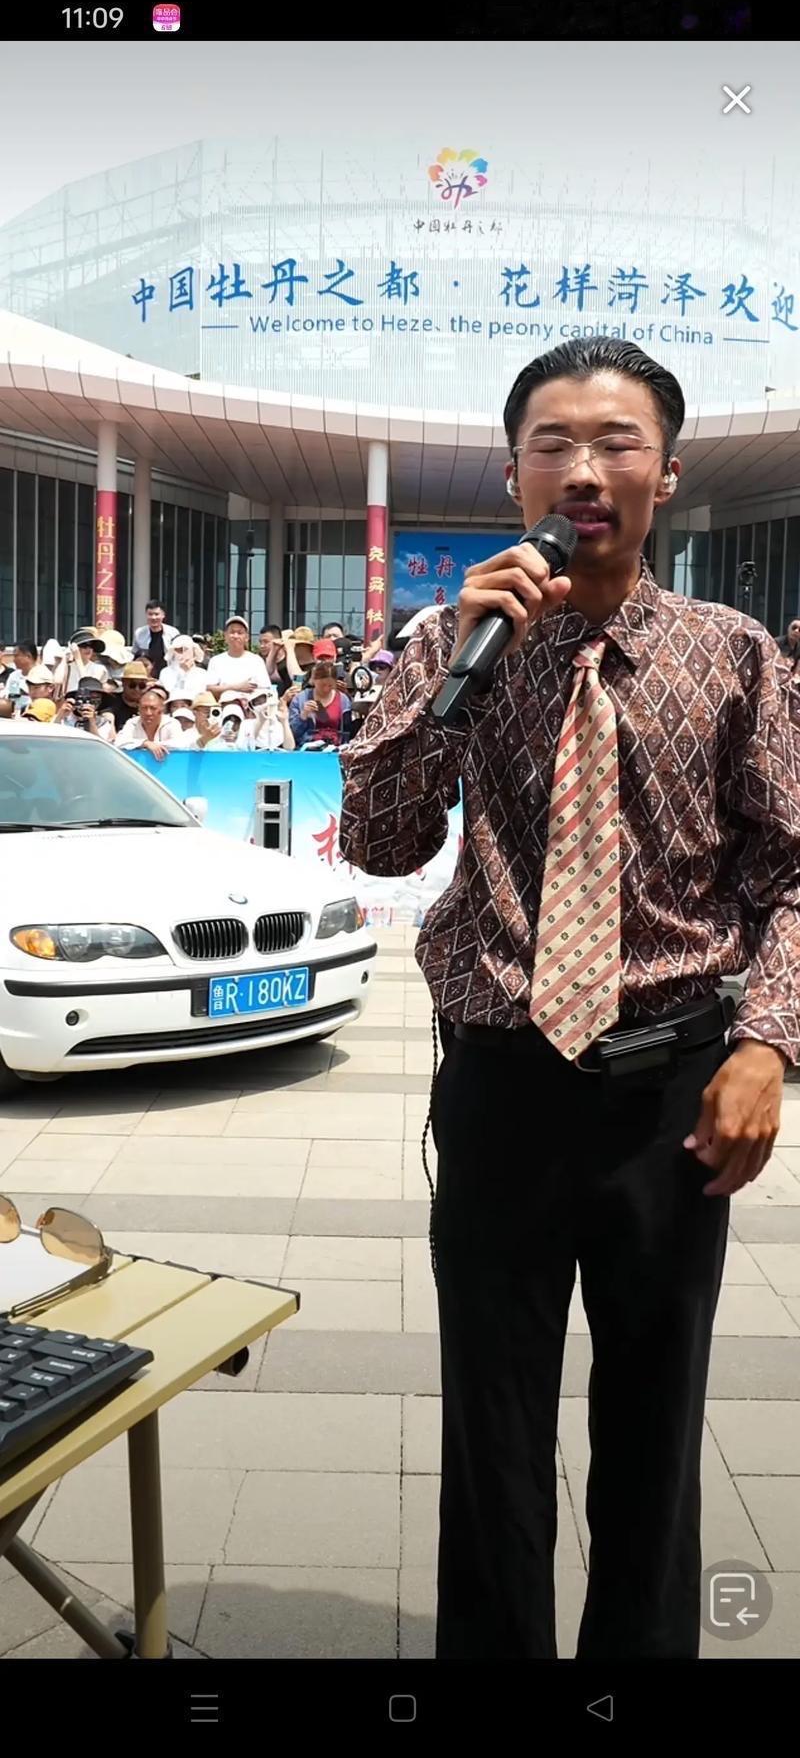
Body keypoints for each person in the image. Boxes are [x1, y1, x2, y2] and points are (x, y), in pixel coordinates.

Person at [340, 335, 800, 1664]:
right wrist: (446, 680)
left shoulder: (737, 655)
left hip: (674, 1099)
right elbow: (377, 843)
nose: (582, 470)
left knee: (656, 1427)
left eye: (615, 442)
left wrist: (765, 1047)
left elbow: (792, 872)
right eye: (552, 443)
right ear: (513, 475)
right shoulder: (441, 642)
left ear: (667, 473)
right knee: (489, 1431)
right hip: (498, 1085)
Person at [289, 660, 352, 748]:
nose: (326, 689)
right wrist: (303, 715)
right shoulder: (300, 699)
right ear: (313, 681)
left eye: (330, 685)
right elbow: (292, 734)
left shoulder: (343, 700)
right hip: (308, 746)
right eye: (322, 685)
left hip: (335, 746)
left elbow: (347, 732)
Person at [205, 616, 270, 697]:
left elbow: (265, 688)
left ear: (247, 637)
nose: (235, 636)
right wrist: (236, 687)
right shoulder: (216, 661)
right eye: (232, 632)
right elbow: (209, 689)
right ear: (225, 636)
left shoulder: (256, 660)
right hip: (225, 702)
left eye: (240, 633)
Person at [116, 686, 186, 756]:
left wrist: (154, 745)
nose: (148, 713)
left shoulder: (171, 723)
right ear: (138, 709)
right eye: (144, 708)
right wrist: (145, 743)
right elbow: (118, 742)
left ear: (162, 709)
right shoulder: (132, 723)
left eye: (153, 708)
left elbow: (180, 744)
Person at [99, 659, 150, 732]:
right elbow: (107, 716)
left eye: (142, 686)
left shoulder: (149, 704)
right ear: (123, 683)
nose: (137, 689)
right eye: (132, 685)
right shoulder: (112, 700)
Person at [133, 600, 179, 676]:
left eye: (156, 614)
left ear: (163, 615)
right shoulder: (139, 633)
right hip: (146, 674)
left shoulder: (173, 633)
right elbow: (134, 653)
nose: (153, 617)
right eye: (150, 614)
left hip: (168, 674)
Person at [159, 634, 207, 702]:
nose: (182, 653)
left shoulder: (202, 673)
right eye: (178, 650)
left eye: (185, 649)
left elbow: (201, 693)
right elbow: (168, 691)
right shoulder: (166, 672)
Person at [63, 629, 109, 696]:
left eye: (91, 645)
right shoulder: (66, 667)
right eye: (83, 645)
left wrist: (78, 659)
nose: (88, 649)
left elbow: (87, 685)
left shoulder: (99, 669)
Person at [251, 685, 296, 750]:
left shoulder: (280, 721)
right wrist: (261, 721)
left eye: (264, 701)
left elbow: (289, 748)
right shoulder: (248, 724)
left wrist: (284, 722)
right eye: (258, 703)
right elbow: (247, 746)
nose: (263, 706)